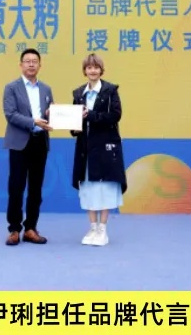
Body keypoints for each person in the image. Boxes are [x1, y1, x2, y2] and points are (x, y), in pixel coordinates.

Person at [70, 53, 127, 246]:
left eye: (96, 67)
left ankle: (103, 229)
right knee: (88, 189)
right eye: (89, 67)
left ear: (101, 70)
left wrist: (91, 115)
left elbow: (115, 115)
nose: (92, 71)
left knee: (105, 189)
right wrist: (68, 122)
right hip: (85, 149)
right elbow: (75, 122)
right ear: (84, 71)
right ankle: (92, 227)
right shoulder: (79, 93)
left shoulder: (110, 90)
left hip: (105, 148)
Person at [2, 48, 54, 246]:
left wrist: (53, 115)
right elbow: (10, 114)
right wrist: (33, 122)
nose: (31, 64)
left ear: (40, 65)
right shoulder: (11, 88)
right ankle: (14, 229)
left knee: (36, 188)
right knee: (16, 186)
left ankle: (31, 228)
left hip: (40, 142)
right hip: (19, 142)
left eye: (35, 61)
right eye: (27, 61)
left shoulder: (46, 89)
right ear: (21, 65)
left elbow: (51, 113)